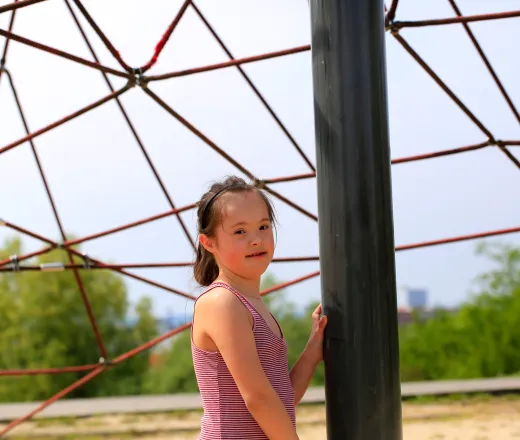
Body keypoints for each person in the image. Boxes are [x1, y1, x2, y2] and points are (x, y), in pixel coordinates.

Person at [190, 175, 327, 440]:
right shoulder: (222, 302)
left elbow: (279, 398)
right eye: (240, 231)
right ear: (209, 243)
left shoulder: (250, 303)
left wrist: (312, 351)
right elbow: (258, 398)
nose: (256, 239)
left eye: (263, 227)